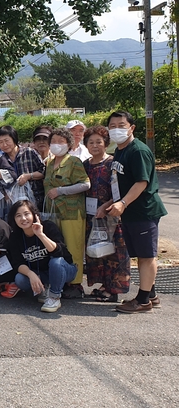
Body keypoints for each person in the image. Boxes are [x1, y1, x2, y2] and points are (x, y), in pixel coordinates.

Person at [105, 111, 166, 313]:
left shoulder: (138, 151)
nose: (116, 129)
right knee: (140, 254)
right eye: (112, 126)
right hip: (129, 211)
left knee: (147, 256)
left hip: (143, 211)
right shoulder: (121, 150)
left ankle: (142, 301)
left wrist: (122, 203)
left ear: (131, 128)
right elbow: (120, 182)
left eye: (121, 125)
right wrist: (112, 202)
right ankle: (152, 294)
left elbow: (142, 182)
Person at [82, 125, 130, 302]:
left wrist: (106, 206)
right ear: (86, 145)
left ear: (105, 143)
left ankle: (113, 290)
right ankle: (104, 285)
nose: (95, 145)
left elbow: (119, 191)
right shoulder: (84, 165)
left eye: (99, 142)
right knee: (97, 252)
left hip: (111, 216)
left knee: (114, 253)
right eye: (91, 142)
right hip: (91, 217)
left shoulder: (112, 163)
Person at [7, 199, 78, 313]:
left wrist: (40, 234)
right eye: (18, 216)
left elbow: (59, 252)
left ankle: (54, 297)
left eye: (26, 214)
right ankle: (44, 290)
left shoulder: (48, 226)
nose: (23, 219)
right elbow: (18, 263)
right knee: (20, 279)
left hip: (64, 269)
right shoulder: (15, 236)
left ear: (34, 215)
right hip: (41, 273)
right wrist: (31, 274)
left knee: (56, 262)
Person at [43, 127, 90, 298]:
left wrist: (61, 190)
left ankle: (76, 283)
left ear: (69, 144)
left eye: (61, 141)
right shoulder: (49, 162)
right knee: (57, 247)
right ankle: (60, 279)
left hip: (71, 212)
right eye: (53, 141)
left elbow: (85, 184)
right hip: (53, 212)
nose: (56, 144)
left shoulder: (74, 162)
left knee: (73, 247)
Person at [0, 125, 45, 210]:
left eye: (7, 140)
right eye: (0, 142)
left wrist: (28, 176)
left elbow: (43, 172)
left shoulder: (29, 153)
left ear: (14, 139)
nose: (4, 145)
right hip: (14, 204)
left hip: (35, 201)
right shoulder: (1, 159)